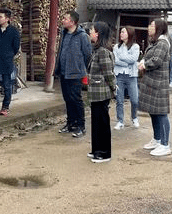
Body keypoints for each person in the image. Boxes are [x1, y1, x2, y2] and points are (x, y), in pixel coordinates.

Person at [53, 10, 92, 137]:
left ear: (73, 22)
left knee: (76, 99)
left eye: (65, 18)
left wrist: (81, 68)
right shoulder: (64, 34)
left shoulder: (82, 36)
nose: (63, 20)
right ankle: (70, 123)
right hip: (64, 72)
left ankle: (81, 125)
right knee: (67, 99)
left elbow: (88, 55)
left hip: (76, 73)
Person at [138, 18, 172, 157]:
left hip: (158, 84)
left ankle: (165, 144)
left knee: (161, 114)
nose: (149, 27)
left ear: (159, 28)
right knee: (154, 112)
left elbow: (156, 61)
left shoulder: (163, 42)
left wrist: (144, 65)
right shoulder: (156, 42)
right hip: (152, 82)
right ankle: (157, 139)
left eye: (152, 25)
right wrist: (143, 61)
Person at [86, 22, 116, 162]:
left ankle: (104, 153)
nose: (90, 32)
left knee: (102, 122)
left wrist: (114, 89)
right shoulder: (96, 50)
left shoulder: (103, 51)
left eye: (92, 30)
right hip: (95, 92)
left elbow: (108, 73)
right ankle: (96, 149)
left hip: (102, 92)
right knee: (96, 122)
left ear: (98, 33)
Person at [113, 25, 140, 130]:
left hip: (131, 76)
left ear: (129, 33)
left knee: (134, 99)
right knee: (119, 100)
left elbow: (133, 59)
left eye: (123, 32)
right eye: (121, 32)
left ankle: (134, 117)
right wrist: (125, 62)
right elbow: (115, 60)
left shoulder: (135, 46)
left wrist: (121, 58)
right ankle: (120, 121)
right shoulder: (116, 47)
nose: (121, 34)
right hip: (119, 75)